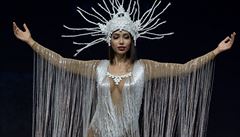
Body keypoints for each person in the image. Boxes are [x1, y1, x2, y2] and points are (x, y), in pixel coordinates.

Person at [12, 0, 236, 137]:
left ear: (132, 40)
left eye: (126, 37)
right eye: (116, 36)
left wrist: (215, 51)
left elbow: (186, 68)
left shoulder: (144, 68)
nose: (121, 41)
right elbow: (60, 61)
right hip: (96, 132)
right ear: (109, 40)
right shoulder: (97, 68)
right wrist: (31, 42)